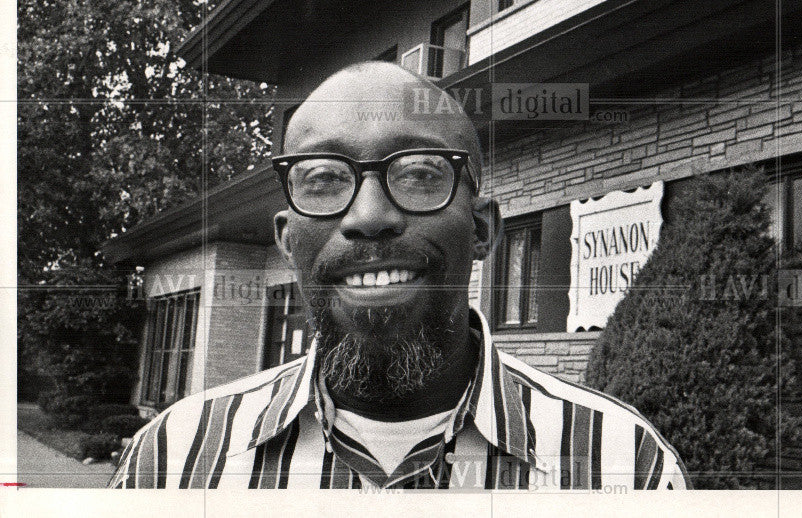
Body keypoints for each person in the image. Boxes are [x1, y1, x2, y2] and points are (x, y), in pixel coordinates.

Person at [109, 62, 689, 490]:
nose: (369, 217)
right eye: (323, 178)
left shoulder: (625, 466)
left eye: (417, 174)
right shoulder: (173, 460)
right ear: (286, 239)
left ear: (484, 229)